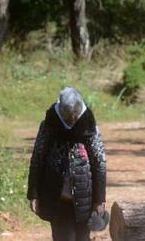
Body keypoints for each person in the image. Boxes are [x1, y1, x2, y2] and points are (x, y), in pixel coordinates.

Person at [27, 87, 107, 241]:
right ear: (61, 111)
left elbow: (99, 163)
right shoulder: (49, 126)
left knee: (83, 238)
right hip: (58, 199)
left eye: (75, 114)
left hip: (85, 199)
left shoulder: (89, 126)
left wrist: (99, 200)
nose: (73, 118)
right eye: (69, 115)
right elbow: (37, 159)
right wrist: (34, 194)